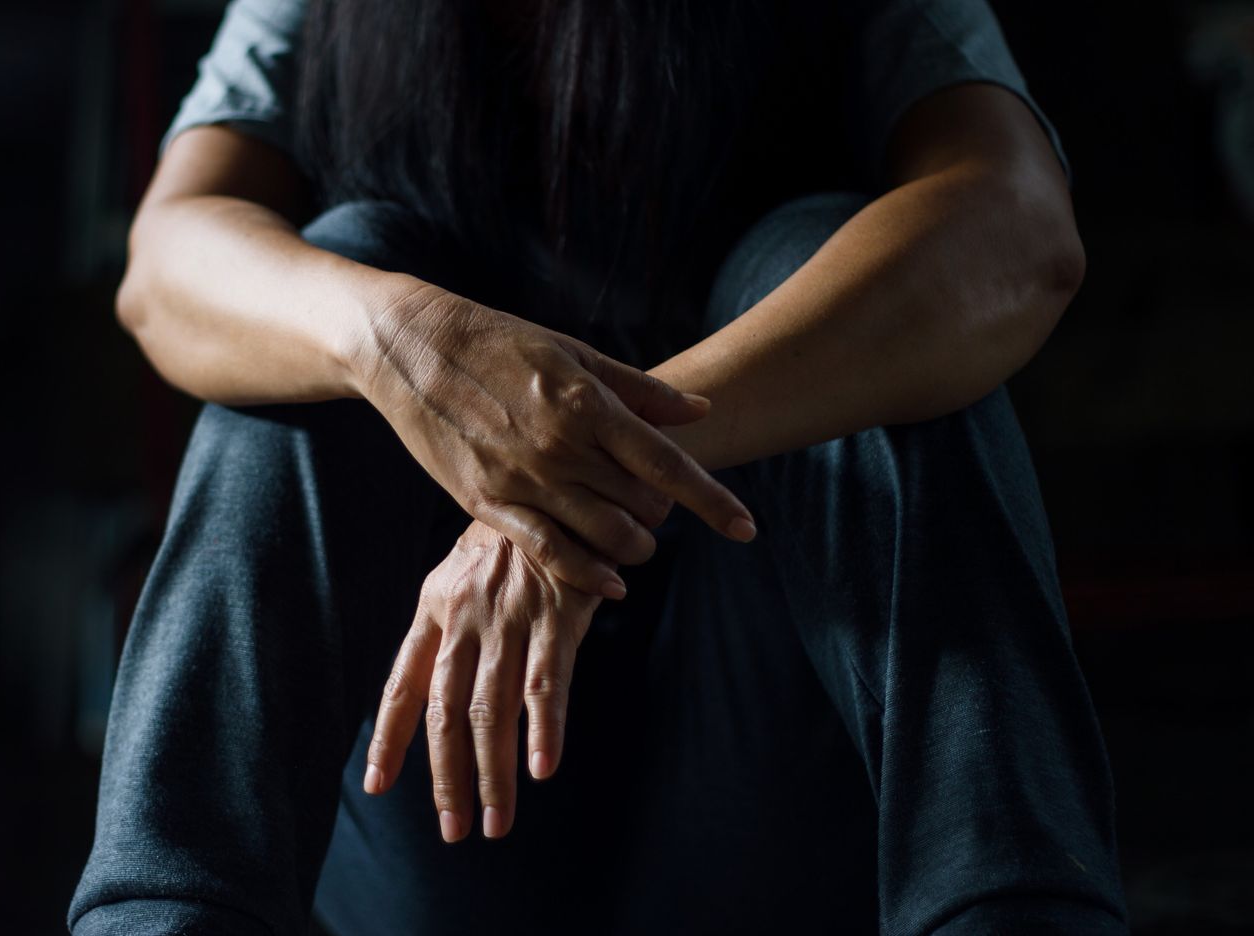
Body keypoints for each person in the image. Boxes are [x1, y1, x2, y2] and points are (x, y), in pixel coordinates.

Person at [71, 0, 1130, 932]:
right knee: (337, 277)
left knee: (836, 267)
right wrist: (398, 342)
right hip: (449, 787)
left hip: (775, 789)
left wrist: (568, 479)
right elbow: (166, 268)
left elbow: (1020, 226)